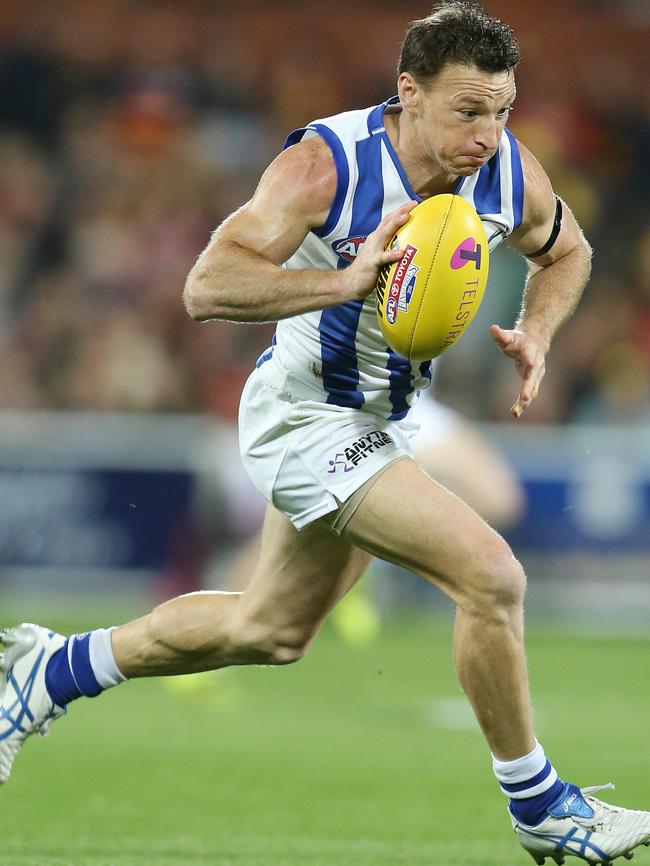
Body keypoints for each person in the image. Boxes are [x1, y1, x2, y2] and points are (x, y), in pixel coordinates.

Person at [2, 3, 649, 862]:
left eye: (503, 110)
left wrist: (538, 329)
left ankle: (48, 671)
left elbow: (568, 252)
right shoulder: (325, 167)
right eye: (467, 111)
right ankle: (542, 808)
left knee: (268, 631)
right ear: (408, 94)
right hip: (304, 415)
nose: (488, 134)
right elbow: (208, 285)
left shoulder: (504, 169)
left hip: (385, 422)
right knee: (492, 577)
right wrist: (342, 282)